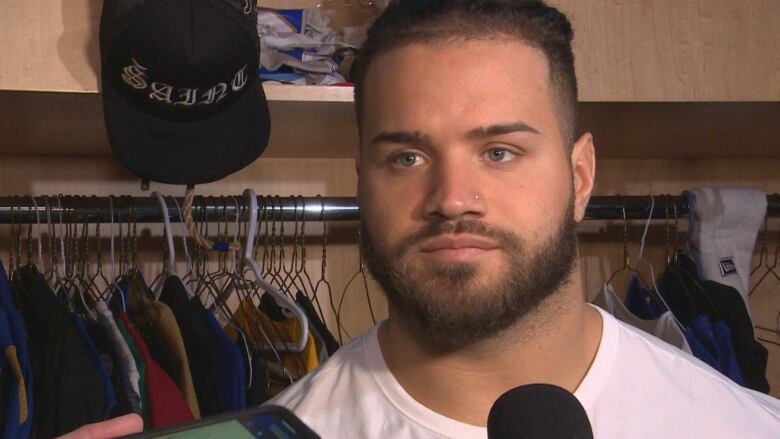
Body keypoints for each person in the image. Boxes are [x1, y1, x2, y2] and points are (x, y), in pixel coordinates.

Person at [66, 0, 780, 438]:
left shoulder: (744, 428)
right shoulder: (299, 429)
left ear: (580, 175)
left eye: (499, 151)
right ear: (362, 180)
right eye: (406, 157)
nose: (452, 196)